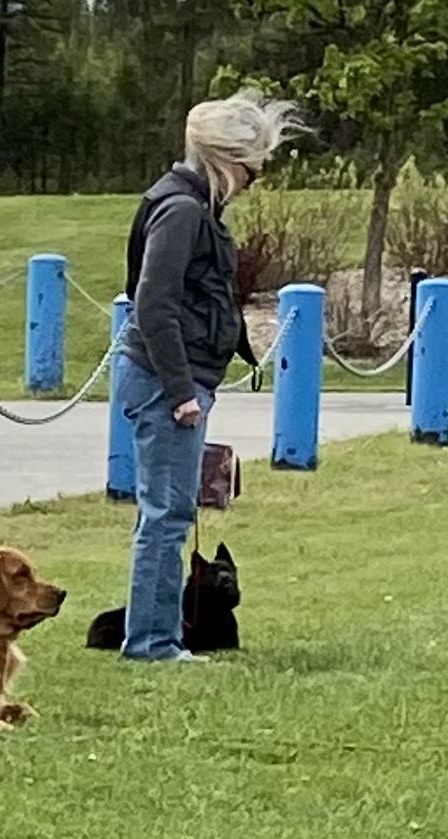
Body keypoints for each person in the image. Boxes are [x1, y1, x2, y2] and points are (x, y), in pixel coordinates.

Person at [115, 89, 305, 662]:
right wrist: (180, 392)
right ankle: (151, 642)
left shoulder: (191, 206)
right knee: (167, 516)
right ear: (228, 161)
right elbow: (153, 303)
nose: (256, 178)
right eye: (253, 167)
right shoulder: (182, 211)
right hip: (166, 382)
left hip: (180, 377)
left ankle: (154, 635)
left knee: (168, 513)